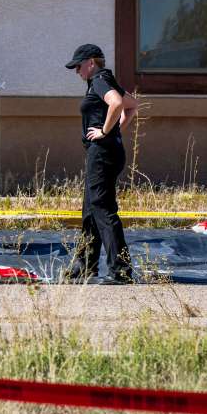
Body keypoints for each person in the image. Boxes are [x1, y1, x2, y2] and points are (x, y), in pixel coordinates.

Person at [63, 44, 138, 284]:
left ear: (91, 63)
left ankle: (121, 270)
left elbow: (117, 104)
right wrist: (115, 132)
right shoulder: (107, 79)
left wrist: (105, 132)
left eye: (78, 66)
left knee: (103, 209)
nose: (77, 71)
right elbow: (132, 105)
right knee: (91, 210)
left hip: (102, 154)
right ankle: (86, 266)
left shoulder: (99, 80)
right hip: (109, 151)